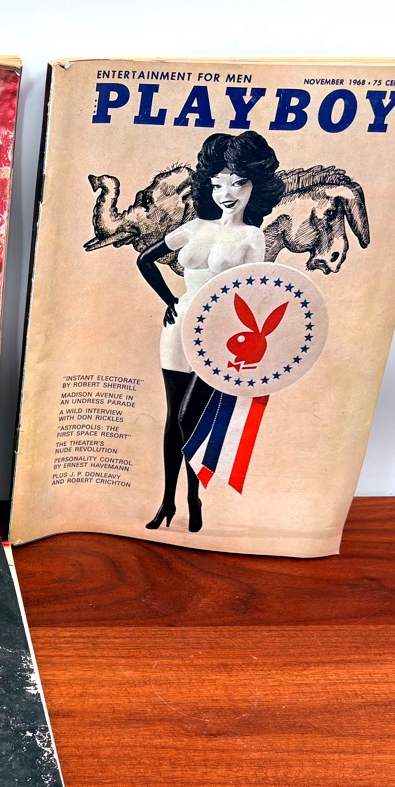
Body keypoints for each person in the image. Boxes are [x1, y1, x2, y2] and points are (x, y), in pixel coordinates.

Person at [135, 131, 285, 533]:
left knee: (190, 419)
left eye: (238, 182)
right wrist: (170, 299)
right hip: (177, 327)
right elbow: (145, 259)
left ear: (256, 184)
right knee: (173, 417)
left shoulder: (252, 237)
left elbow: (253, 294)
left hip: (217, 335)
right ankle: (167, 501)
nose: (227, 193)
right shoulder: (195, 227)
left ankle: (193, 497)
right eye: (219, 184)